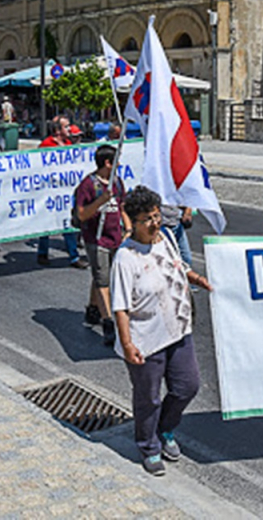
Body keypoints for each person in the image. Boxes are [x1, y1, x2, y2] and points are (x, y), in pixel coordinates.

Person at [111, 185, 213, 476]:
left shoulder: (166, 238)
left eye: (156, 216)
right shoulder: (125, 258)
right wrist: (128, 344)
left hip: (179, 329)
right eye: (147, 219)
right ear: (133, 222)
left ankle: (165, 429)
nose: (155, 223)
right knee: (149, 397)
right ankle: (149, 446)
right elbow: (120, 306)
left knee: (187, 386)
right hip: (145, 339)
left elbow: (178, 269)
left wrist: (197, 278)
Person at [75, 145, 128, 346]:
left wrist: (128, 230)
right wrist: (100, 201)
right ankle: (108, 322)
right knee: (104, 281)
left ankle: (92, 308)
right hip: (96, 240)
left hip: (115, 237)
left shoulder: (117, 182)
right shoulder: (88, 185)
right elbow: (82, 214)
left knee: (101, 276)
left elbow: (122, 207)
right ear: (107, 163)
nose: (119, 165)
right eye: (116, 161)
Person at [37, 119, 84, 268]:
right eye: (66, 126)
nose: (70, 129)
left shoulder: (69, 144)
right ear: (57, 131)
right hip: (50, 192)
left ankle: (74, 256)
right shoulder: (46, 144)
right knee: (46, 224)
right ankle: (42, 253)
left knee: (67, 223)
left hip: (65, 192)